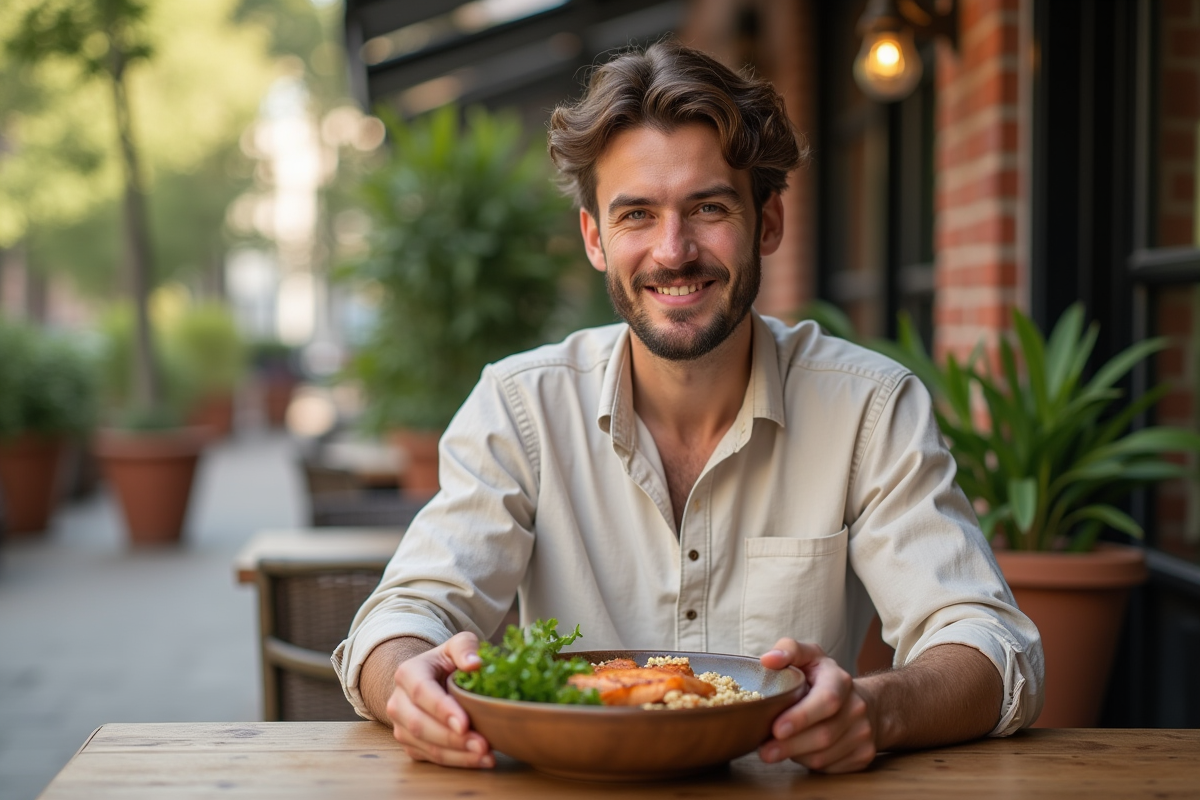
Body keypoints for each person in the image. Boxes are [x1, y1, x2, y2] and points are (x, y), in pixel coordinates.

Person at [333, 40, 1043, 774]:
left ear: (768, 222)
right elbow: (406, 615)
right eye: (637, 214)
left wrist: (875, 708)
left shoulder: (869, 408)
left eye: (708, 208)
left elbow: (992, 645)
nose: (673, 251)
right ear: (595, 239)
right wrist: (409, 684)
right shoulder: (520, 408)